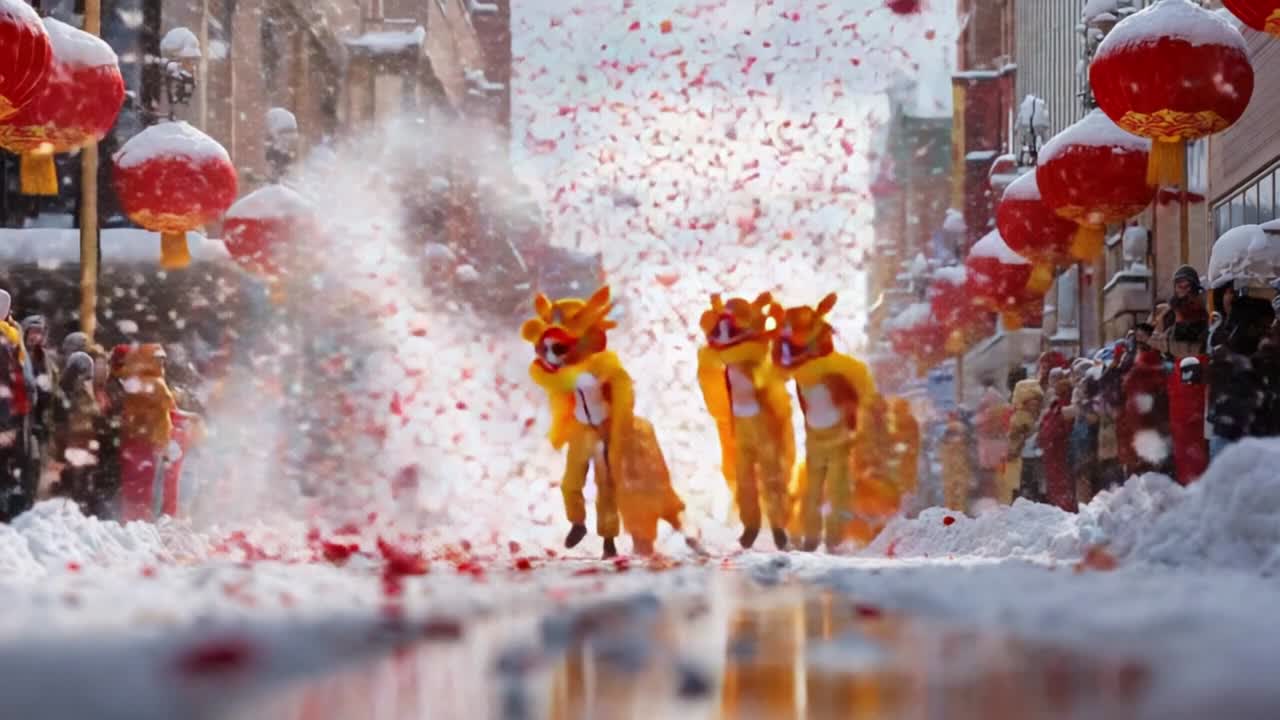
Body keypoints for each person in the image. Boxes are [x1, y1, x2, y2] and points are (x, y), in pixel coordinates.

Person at [523, 287, 687, 557]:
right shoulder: (556, 372)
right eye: (547, 349)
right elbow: (544, 375)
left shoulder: (603, 363)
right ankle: (577, 522)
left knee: (606, 486)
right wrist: (566, 374)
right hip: (581, 428)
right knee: (571, 481)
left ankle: (608, 539)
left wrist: (618, 426)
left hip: (605, 429)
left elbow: (622, 389)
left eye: (561, 347)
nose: (553, 356)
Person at [770, 293, 875, 552]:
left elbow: (866, 394)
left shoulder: (839, 367)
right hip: (817, 435)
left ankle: (831, 538)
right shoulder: (806, 366)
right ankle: (812, 537)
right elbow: (779, 369)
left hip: (840, 434)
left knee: (834, 489)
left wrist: (860, 427)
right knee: (815, 488)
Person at [696, 293, 796, 550]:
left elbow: (781, 369)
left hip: (763, 423)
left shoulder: (759, 352)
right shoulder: (724, 356)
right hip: (740, 424)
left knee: (772, 476)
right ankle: (750, 526)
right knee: (745, 479)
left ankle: (778, 527)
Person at [118, 344, 178, 521]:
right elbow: (169, 403)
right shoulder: (155, 383)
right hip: (148, 440)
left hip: (139, 439)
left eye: (162, 360)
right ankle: (139, 519)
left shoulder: (136, 379)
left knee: (136, 483)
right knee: (145, 483)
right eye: (157, 359)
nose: (161, 364)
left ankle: (132, 517)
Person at [52, 352, 100, 513]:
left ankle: (77, 508)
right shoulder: (70, 389)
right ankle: (71, 509)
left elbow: (92, 412)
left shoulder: (73, 388)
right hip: (73, 442)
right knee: (73, 479)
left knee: (80, 479)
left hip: (80, 442)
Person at [1121, 324, 1171, 476]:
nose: (1139, 340)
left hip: (1153, 416)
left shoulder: (1158, 359)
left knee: (1152, 460)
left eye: (1142, 336)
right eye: (1137, 337)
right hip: (1136, 418)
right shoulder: (1131, 359)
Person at [21, 315, 59, 500]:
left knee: (35, 463)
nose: (35, 337)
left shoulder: (45, 359)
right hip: (19, 417)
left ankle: (30, 499)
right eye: (32, 332)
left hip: (38, 419)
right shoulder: (17, 352)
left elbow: (50, 389)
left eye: (39, 333)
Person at [1004, 367, 1043, 504]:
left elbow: (1016, 433)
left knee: (1021, 484)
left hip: (1023, 453)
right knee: (1030, 485)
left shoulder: (1018, 402)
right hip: (1031, 452)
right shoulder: (1032, 393)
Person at [1039, 367, 1076, 512]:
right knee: (1057, 487)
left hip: (1059, 452)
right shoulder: (1056, 405)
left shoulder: (1062, 406)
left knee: (1060, 487)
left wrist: (1047, 438)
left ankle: (1063, 510)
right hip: (1054, 453)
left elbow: (1059, 429)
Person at [1068, 359, 1102, 504]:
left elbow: (1092, 419)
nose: (1076, 381)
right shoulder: (1080, 395)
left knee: (1085, 477)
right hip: (1081, 441)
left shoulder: (1091, 397)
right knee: (1081, 476)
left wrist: (1080, 405)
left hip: (1087, 442)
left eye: (1079, 377)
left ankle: (1087, 507)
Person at [974, 379, 1010, 500]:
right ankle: (1000, 500)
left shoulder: (987, 409)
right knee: (1001, 479)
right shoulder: (1003, 407)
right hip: (1001, 451)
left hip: (990, 451)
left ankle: (993, 499)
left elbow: (980, 425)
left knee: (991, 479)